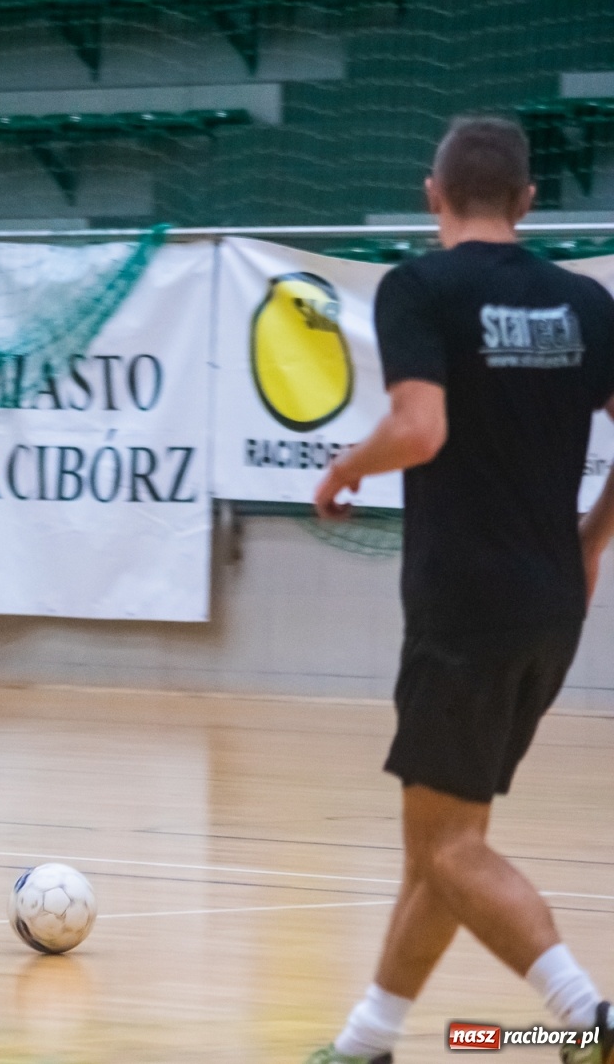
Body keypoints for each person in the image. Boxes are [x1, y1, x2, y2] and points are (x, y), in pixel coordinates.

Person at [307, 117, 613, 1064]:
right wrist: (593, 540)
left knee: (448, 849)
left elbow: (419, 427)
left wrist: (342, 470)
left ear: (432, 193)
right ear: (527, 201)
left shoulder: (420, 287)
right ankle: (365, 1042)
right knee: (442, 839)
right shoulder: (586, 303)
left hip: (464, 606)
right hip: (552, 605)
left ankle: (588, 1020)